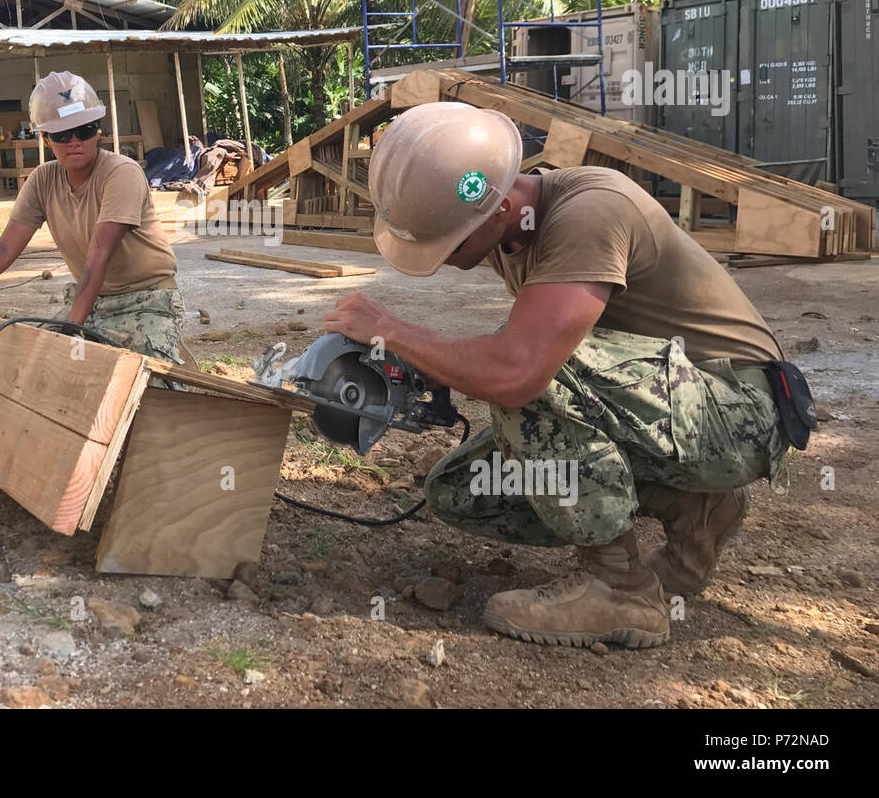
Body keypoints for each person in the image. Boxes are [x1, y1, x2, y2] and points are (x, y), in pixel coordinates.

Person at [323, 101, 794, 650]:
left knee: (528, 375)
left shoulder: (591, 212)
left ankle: (620, 587)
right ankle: (692, 502)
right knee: (463, 491)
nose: (445, 259)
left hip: (742, 413)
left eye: (450, 243)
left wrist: (396, 331)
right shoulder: (511, 230)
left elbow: (519, 371)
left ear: (499, 207)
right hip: (682, 407)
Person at [0, 72, 186, 362]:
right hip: (92, 301)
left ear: (98, 132)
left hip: (146, 300)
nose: (74, 142)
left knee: (138, 376)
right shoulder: (43, 179)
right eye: (62, 135)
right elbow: (6, 247)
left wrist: (73, 326)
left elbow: (99, 254)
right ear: (45, 139)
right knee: (37, 361)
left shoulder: (121, 174)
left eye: (84, 130)